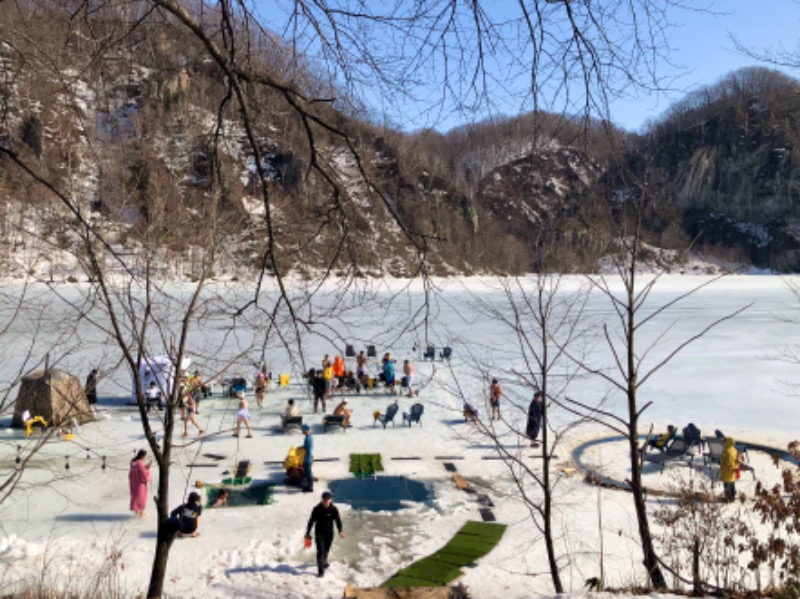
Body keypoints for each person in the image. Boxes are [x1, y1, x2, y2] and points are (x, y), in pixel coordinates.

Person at [305, 491, 344, 578]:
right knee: (320, 552)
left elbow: (338, 520)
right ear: (322, 500)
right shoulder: (316, 509)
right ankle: (321, 571)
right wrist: (308, 531)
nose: (326, 501)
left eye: (328, 499)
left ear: (330, 500)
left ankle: (324, 561)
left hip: (329, 534)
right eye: (324, 499)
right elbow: (311, 521)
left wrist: (340, 531)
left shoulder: (333, 509)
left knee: (326, 550)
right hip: (319, 534)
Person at [129, 449, 151, 518]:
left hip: (133, 481)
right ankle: (141, 512)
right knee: (141, 497)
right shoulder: (139, 463)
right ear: (142, 456)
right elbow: (143, 474)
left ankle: (136, 511)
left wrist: (144, 467)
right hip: (140, 483)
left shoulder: (133, 462)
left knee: (135, 496)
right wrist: (147, 469)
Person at [720, 436, 740, 502]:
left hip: (726, 470)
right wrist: (736, 467)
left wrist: (721, 469)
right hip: (733, 470)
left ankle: (728, 497)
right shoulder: (734, 450)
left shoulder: (726, 451)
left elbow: (723, 461)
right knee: (732, 483)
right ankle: (733, 495)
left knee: (726, 483)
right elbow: (738, 460)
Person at [302, 424, 314, 493]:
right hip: (307, 458)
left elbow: (309, 450)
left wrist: (307, 459)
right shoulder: (309, 437)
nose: (302, 432)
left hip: (307, 459)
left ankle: (310, 488)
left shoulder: (308, 439)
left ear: (306, 430)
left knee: (308, 474)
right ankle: (307, 486)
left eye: (303, 430)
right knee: (306, 474)